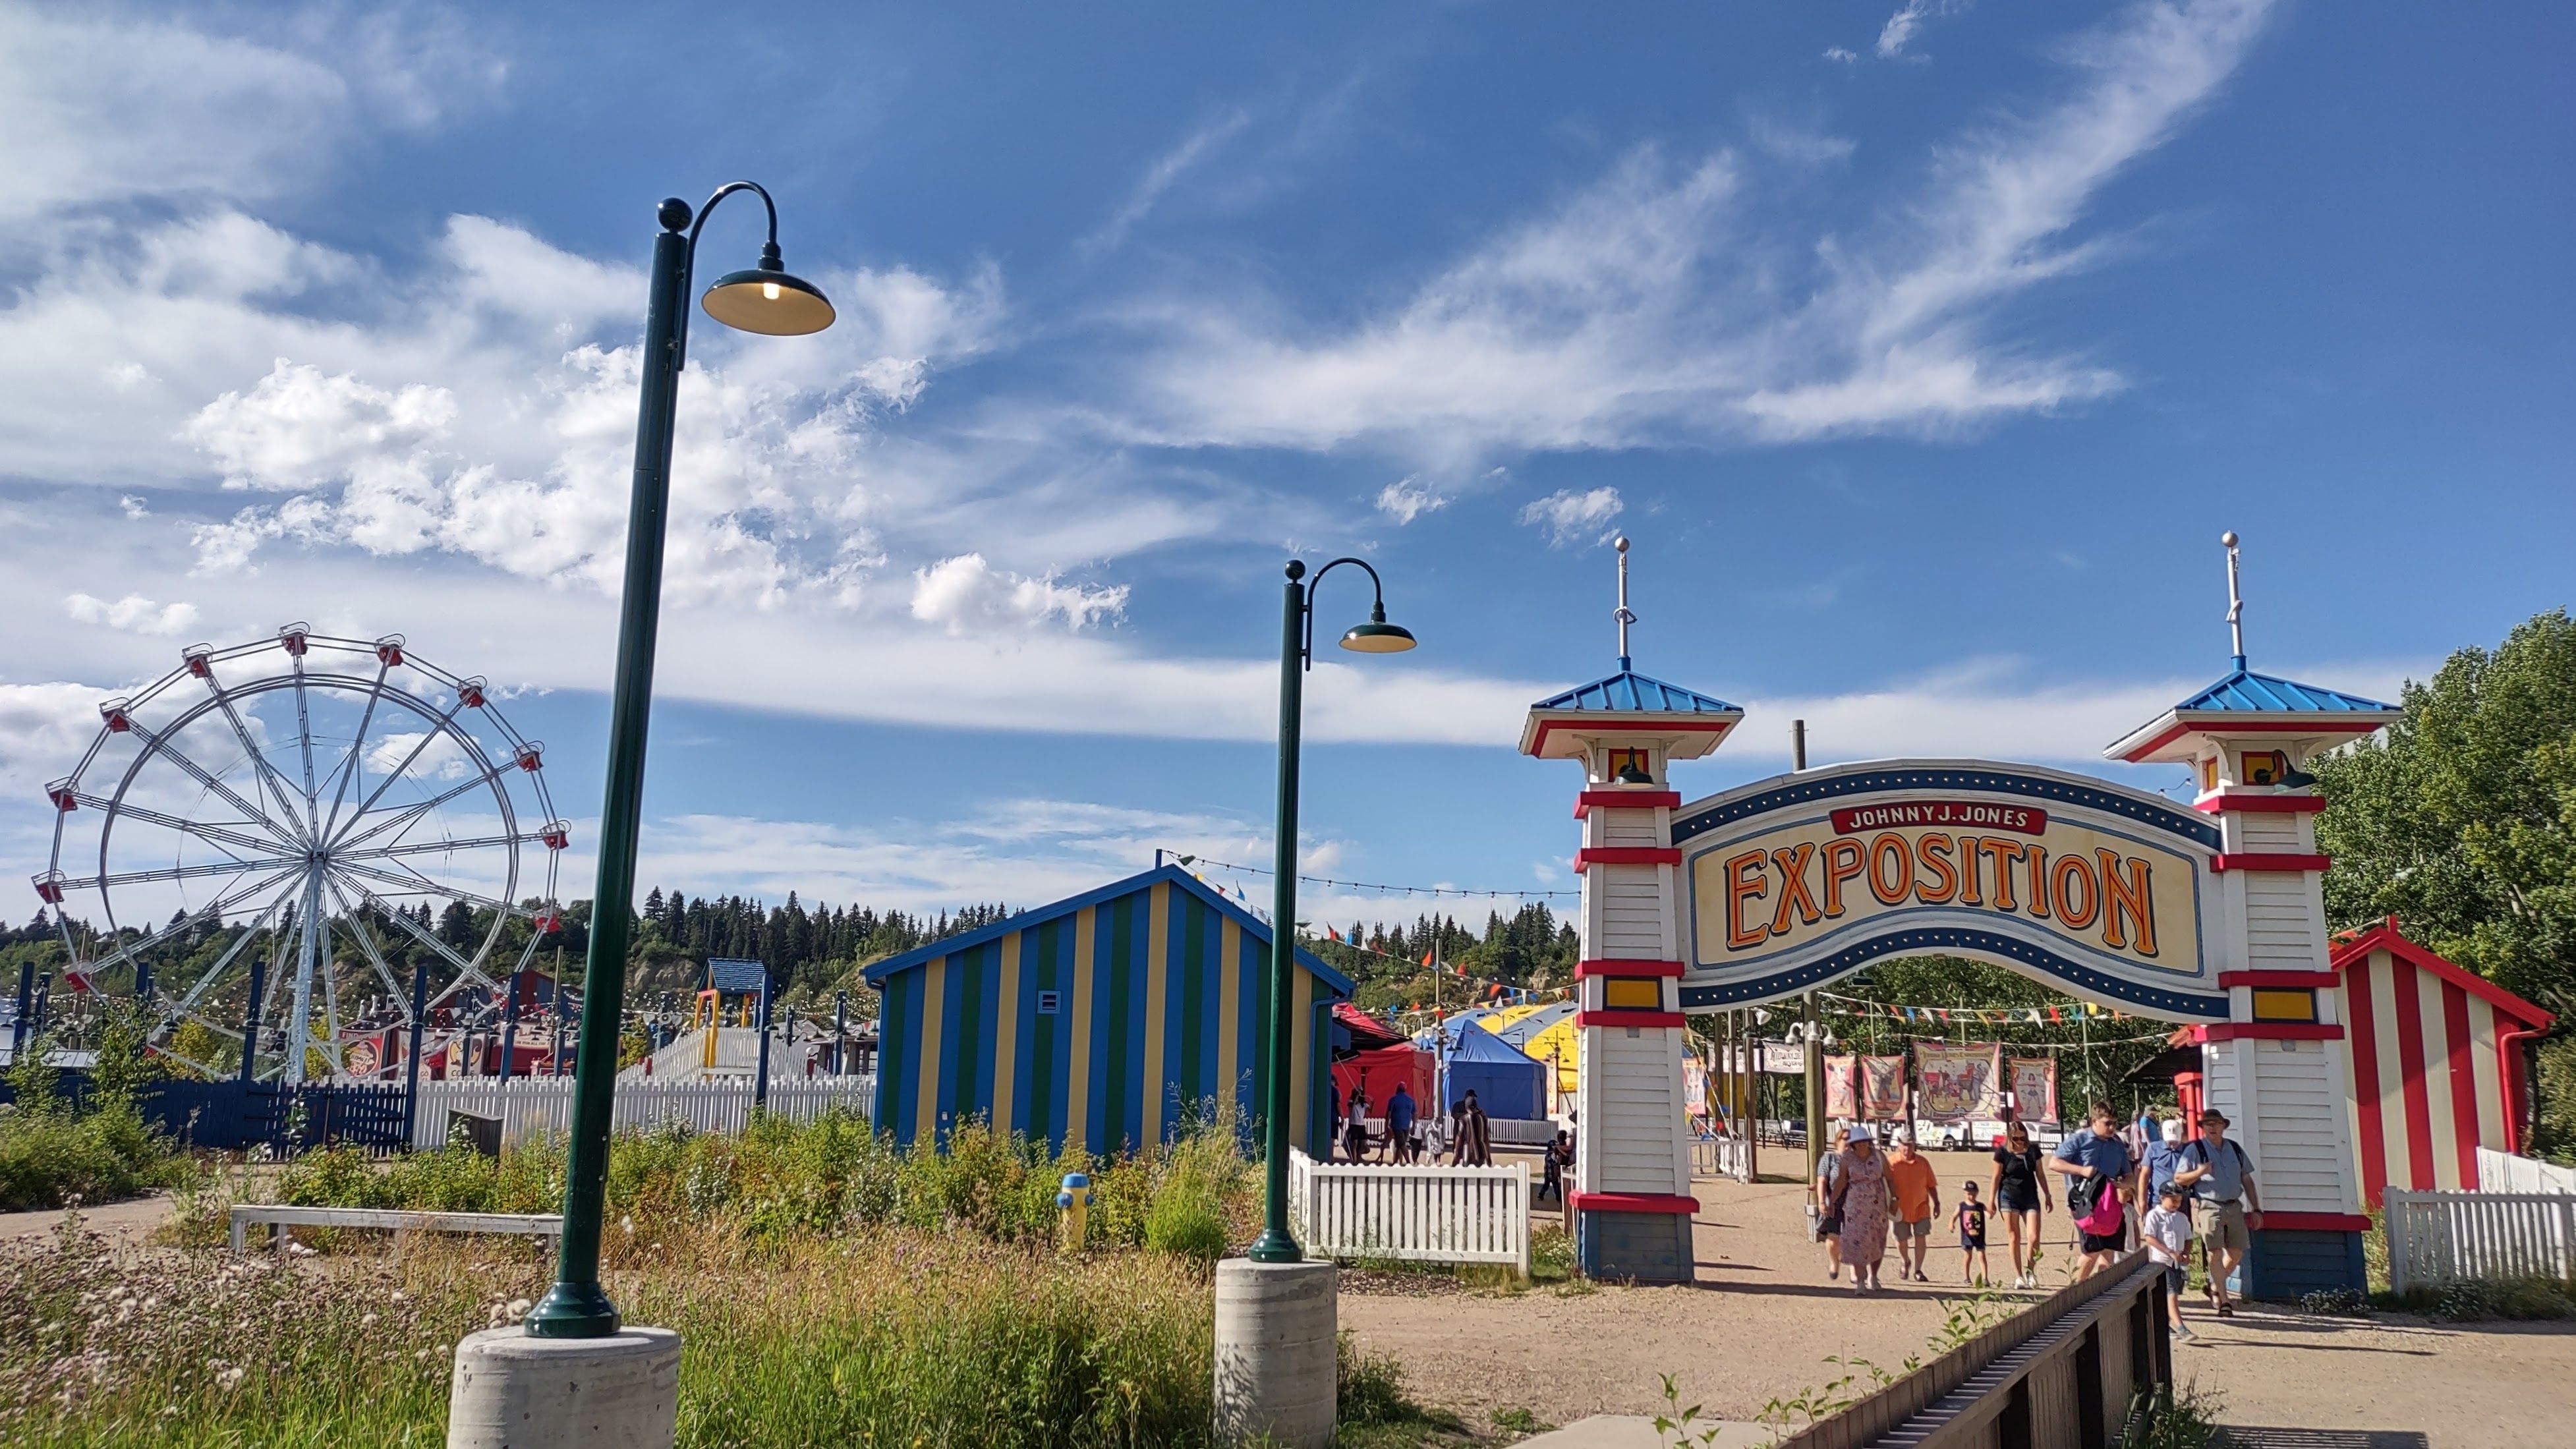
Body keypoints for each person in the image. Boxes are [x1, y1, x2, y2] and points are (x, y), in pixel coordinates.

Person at [2171, 1108, 2262, 1318]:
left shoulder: (2235, 1149)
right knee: (2216, 1252)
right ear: (2203, 1128)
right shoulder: (2195, 1150)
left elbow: (2246, 1180)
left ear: (2223, 1126)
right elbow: (2179, 1179)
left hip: (2234, 1205)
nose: (2212, 1128)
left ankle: (2214, 1285)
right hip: (2209, 1205)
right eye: (2208, 1124)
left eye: (2216, 1124)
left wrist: (2256, 1208)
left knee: (2237, 1251)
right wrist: (2200, 1172)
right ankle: (2224, 1301)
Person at [2051, 1102, 2134, 1261]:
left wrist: (2123, 1184)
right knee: (2091, 1253)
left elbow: (2130, 1176)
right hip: (2085, 1203)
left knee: (2109, 1252)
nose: (2112, 1128)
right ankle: (2079, 1286)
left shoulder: (2117, 1145)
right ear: (2094, 1121)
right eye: (2108, 1123)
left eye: (2115, 1123)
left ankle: (2104, 1285)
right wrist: (2081, 1170)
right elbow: (2054, 1163)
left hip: (2110, 1205)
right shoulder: (2078, 1140)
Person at [1991, 1120, 2055, 1290]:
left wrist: (2048, 1194)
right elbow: (1996, 1177)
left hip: (2030, 1196)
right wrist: (1991, 1200)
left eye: (2023, 1137)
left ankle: (2031, 1271)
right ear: (2010, 1138)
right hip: (2008, 1196)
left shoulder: (2034, 1151)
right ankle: (2018, 1276)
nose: (2020, 1141)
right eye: (2016, 1138)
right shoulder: (2002, 1153)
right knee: (2014, 1237)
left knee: (2034, 1236)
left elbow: (2040, 1174)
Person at [1829, 1122, 1891, 1293]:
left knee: (1877, 1240)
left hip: (1877, 1205)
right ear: (1854, 1144)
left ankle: (1874, 1276)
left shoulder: (1879, 1156)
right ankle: (1860, 1282)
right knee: (1857, 1242)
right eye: (1859, 1141)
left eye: (1865, 1141)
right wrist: (1832, 1201)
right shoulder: (1847, 1159)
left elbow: (1890, 1178)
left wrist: (1895, 1199)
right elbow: (1841, 1181)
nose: (1862, 1144)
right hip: (1856, 1205)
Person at [2141, 1182, 2197, 1340]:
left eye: (2179, 1201)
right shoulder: (2154, 1215)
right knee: (2171, 1293)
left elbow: (2188, 1238)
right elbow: (2150, 1237)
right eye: (2173, 1200)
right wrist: (2169, 1252)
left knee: (2174, 1292)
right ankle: (2181, 1328)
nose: (2176, 1204)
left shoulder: (2182, 1218)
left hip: (2178, 1263)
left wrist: (2186, 1253)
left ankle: (2163, 1325)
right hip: (2161, 1263)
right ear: (2162, 1198)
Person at [1885, 1129, 1942, 1283]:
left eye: (1910, 1145)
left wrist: (1936, 1202)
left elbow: (1931, 1185)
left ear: (1914, 1146)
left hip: (1920, 1206)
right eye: (1904, 1145)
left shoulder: (1923, 1163)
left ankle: (1918, 1270)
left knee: (1921, 1237)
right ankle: (1905, 1261)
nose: (1907, 1149)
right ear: (1898, 1145)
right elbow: (1884, 1186)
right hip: (1899, 1209)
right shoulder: (1891, 1164)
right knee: (1900, 1239)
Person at [2075, 1176, 2130, 1277]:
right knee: (2095, 1255)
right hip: (2108, 1215)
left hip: (2087, 1210)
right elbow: (2122, 1198)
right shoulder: (2119, 1162)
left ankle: (2081, 1289)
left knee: (2103, 1255)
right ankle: (2074, 1290)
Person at [1814, 1137, 1846, 1280]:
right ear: (1838, 1141)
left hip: (1855, 1203)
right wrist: (1822, 1202)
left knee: (1853, 1238)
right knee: (1833, 1237)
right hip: (1834, 1202)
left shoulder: (1858, 1159)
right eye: (1845, 1138)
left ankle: (1854, 1270)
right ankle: (1835, 1262)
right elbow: (1822, 1181)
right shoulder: (1829, 1158)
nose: (1849, 1142)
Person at [1955, 1181, 1991, 1286]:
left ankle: (1985, 1278)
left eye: (1973, 1194)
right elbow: (1954, 1216)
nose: (1971, 1196)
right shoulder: (1962, 1206)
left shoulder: (1980, 1206)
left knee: (1982, 1256)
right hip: (1967, 1236)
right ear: (1965, 1193)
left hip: (1979, 1236)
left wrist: (1991, 1212)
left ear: (1977, 1193)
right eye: (1969, 1194)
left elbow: (1988, 1214)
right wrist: (1951, 1224)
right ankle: (1967, 1278)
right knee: (1968, 1256)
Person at [1385, 1082, 1417, 1166]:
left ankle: (1408, 1163)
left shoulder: (1393, 1099)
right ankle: (1395, 1163)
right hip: (1406, 1126)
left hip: (1397, 1125)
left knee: (1402, 1144)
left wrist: (1386, 1126)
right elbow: (1414, 1114)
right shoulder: (1410, 1100)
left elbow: (1388, 1113)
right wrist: (1413, 1126)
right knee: (1399, 1144)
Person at [1461, 1090, 1494, 1167]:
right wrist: (1488, 1156)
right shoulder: (1481, 1117)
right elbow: (1486, 1139)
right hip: (1480, 1153)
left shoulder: (1464, 1118)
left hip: (1468, 1151)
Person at [1537, 1129, 1570, 1204]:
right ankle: (1558, 1198)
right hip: (1553, 1174)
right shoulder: (1553, 1155)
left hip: (1547, 1174)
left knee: (1546, 1185)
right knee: (1556, 1187)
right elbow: (1556, 1162)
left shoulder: (1547, 1155)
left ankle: (1541, 1195)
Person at [1343, 1084, 1371, 1164]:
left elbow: (1370, 1111)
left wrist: (1373, 1103)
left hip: (1361, 1125)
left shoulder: (1364, 1104)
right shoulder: (1351, 1101)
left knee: (1362, 1143)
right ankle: (1354, 1160)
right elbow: (1353, 1104)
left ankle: (1358, 1158)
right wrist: (1357, 1096)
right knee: (1355, 1143)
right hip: (1354, 1125)